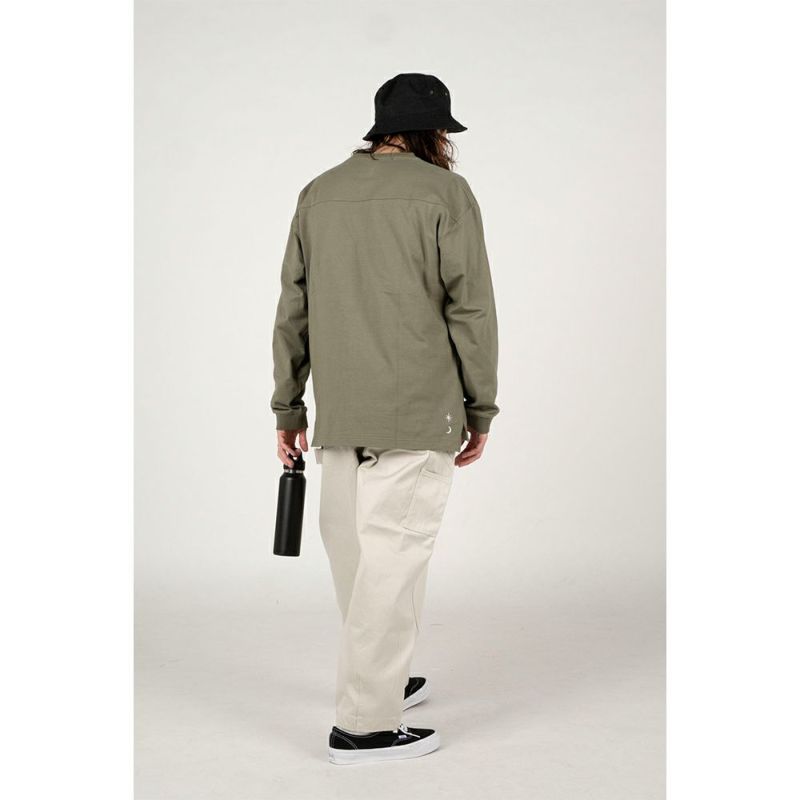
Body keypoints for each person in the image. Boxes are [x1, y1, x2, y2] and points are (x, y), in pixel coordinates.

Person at [271, 73, 499, 765]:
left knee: (357, 555)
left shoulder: (319, 193)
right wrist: (480, 406)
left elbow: (292, 307)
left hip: (340, 410)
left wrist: (288, 404)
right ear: (435, 134)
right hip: (417, 407)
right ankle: (366, 726)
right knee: (393, 559)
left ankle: (382, 676)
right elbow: (471, 308)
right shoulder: (445, 194)